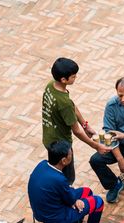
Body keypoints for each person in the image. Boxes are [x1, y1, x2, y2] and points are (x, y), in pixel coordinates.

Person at [42, 57, 111, 185]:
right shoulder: (63, 103)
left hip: (48, 138)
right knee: (67, 177)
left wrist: (85, 124)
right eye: (73, 76)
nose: (75, 78)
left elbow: (72, 105)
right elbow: (77, 131)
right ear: (64, 79)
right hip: (61, 145)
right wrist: (95, 146)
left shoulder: (51, 85)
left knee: (55, 170)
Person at [28, 141, 104, 223]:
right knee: (98, 202)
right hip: (54, 217)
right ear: (63, 161)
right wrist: (74, 201)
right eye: (70, 154)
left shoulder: (42, 164)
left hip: (40, 211)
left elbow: (68, 196)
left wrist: (74, 201)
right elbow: (70, 199)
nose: (71, 156)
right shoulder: (59, 179)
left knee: (87, 192)